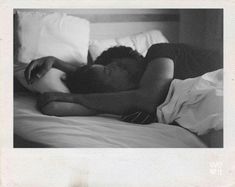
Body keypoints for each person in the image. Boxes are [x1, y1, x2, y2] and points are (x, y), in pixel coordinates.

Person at [25, 43, 223, 124]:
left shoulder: (158, 52)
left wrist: (69, 95)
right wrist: (57, 62)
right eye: (111, 68)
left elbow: (148, 97)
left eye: (119, 64)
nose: (118, 69)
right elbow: (97, 77)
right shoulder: (130, 97)